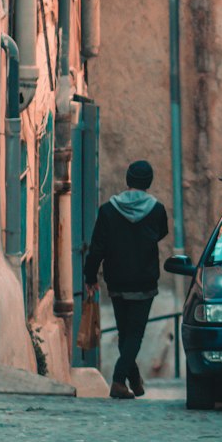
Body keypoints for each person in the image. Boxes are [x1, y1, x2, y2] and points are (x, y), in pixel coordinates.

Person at [84, 160, 169, 399]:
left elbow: (97, 248)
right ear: (148, 182)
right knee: (135, 335)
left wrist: (90, 277)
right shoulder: (157, 210)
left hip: (117, 281)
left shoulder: (108, 211)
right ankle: (119, 380)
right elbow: (161, 233)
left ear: (127, 180)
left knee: (125, 333)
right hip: (144, 282)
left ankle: (134, 380)